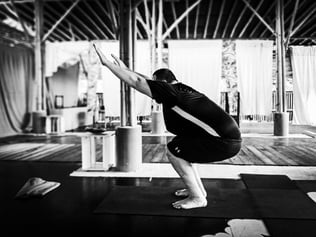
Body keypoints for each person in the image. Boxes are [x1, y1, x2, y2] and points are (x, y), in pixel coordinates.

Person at [93, 44, 242, 210]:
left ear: (162, 83)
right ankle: (198, 191)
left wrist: (108, 64)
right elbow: (145, 80)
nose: (154, 89)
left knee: (173, 150)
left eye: (157, 84)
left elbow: (137, 82)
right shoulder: (181, 88)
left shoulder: (171, 93)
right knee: (181, 146)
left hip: (224, 142)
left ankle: (198, 198)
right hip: (227, 139)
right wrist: (126, 69)